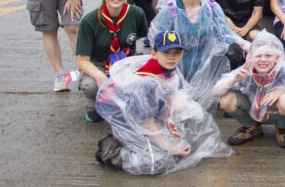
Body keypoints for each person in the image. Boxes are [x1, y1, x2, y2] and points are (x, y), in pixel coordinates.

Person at [93, 30, 232, 175]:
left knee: (189, 142)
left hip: (155, 117)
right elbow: (146, 123)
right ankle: (111, 149)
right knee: (160, 163)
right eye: (166, 52)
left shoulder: (170, 69)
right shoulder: (146, 83)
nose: (172, 57)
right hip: (133, 124)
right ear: (154, 53)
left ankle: (142, 144)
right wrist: (169, 146)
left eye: (176, 53)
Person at [149, 0, 251, 105]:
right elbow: (158, 40)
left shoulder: (211, 8)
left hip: (206, 69)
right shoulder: (170, 11)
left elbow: (224, 34)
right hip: (177, 68)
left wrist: (246, 44)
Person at [75, 0, 150, 122]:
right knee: (91, 86)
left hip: (126, 61)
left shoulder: (136, 14)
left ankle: (128, 102)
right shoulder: (89, 21)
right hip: (99, 64)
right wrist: (100, 76)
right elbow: (82, 60)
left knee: (148, 79)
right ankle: (94, 105)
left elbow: (140, 35)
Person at [213, 32, 285, 149]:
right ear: (250, 57)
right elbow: (215, 92)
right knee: (225, 100)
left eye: (268, 55)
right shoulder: (246, 70)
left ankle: (282, 128)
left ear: (277, 57)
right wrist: (234, 80)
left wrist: (283, 91)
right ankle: (251, 127)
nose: (263, 60)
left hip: (276, 108)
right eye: (258, 55)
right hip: (252, 105)